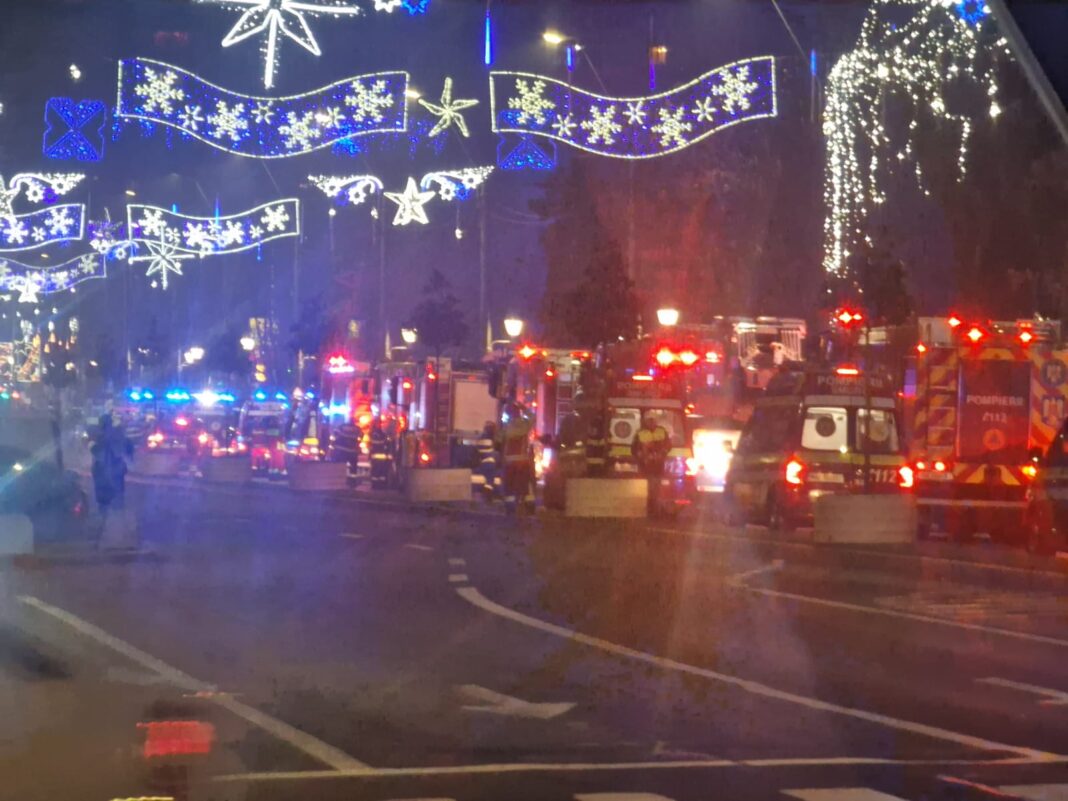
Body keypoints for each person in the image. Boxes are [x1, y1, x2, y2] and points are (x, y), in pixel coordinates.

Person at [90, 413, 134, 544]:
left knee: (107, 507)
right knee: (113, 507)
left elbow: (96, 452)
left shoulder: (103, 438)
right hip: (110, 476)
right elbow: (128, 449)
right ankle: (114, 538)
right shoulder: (112, 437)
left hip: (108, 476)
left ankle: (107, 537)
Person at [497, 403, 535, 514]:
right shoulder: (525, 424)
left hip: (509, 461)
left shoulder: (506, 427)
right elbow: (532, 417)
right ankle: (529, 507)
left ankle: (510, 509)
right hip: (523, 461)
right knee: (525, 484)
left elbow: (498, 440)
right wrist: (524, 408)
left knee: (509, 485)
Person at [632, 413, 671, 515]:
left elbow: (668, 445)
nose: (651, 422)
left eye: (652, 420)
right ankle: (649, 509)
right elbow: (634, 449)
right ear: (646, 422)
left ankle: (656, 510)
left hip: (658, 465)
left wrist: (662, 453)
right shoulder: (640, 433)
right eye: (649, 420)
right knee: (647, 488)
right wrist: (642, 455)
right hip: (646, 466)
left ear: (656, 421)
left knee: (657, 488)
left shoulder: (662, 431)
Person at [369, 419, 392, 489]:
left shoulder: (380, 434)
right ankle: (376, 485)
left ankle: (380, 485)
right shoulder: (375, 434)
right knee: (377, 471)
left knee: (380, 472)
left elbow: (386, 444)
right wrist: (385, 441)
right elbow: (376, 443)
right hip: (377, 456)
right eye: (378, 424)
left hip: (381, 457)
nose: (379, 425)